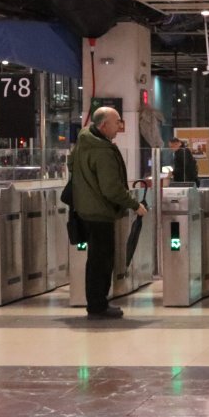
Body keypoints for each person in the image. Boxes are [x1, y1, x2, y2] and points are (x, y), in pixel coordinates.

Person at [71, 107, 147, 319]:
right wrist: (134, 204)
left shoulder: (83, 144)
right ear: (103, 125)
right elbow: (111, 187)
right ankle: (98, 305)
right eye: (116, 122)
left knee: (95, 259)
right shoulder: (102, 150)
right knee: (102, 261)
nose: (120, 126)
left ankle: (96, 303)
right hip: (100, 212)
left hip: (86, 209)